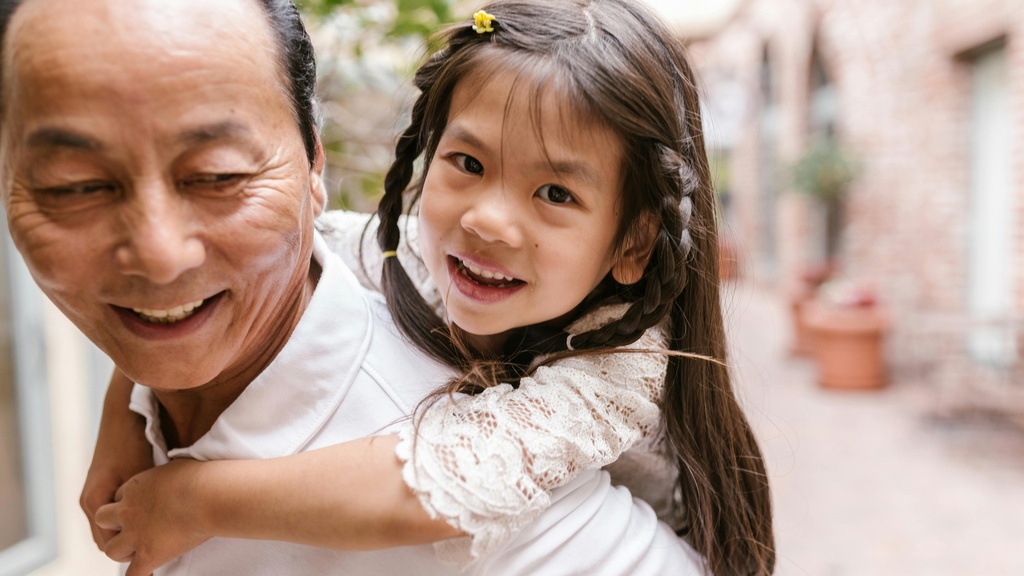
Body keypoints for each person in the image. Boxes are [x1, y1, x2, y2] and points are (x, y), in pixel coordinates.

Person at [0, 0, 708, 574]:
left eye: (554, 192)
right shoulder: (400, 258)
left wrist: (194, 499)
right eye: (466, 162)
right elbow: (181, 290)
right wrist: (124, 410)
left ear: (633, 242)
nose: (488, 219)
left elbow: (430, 485)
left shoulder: (615, 363)